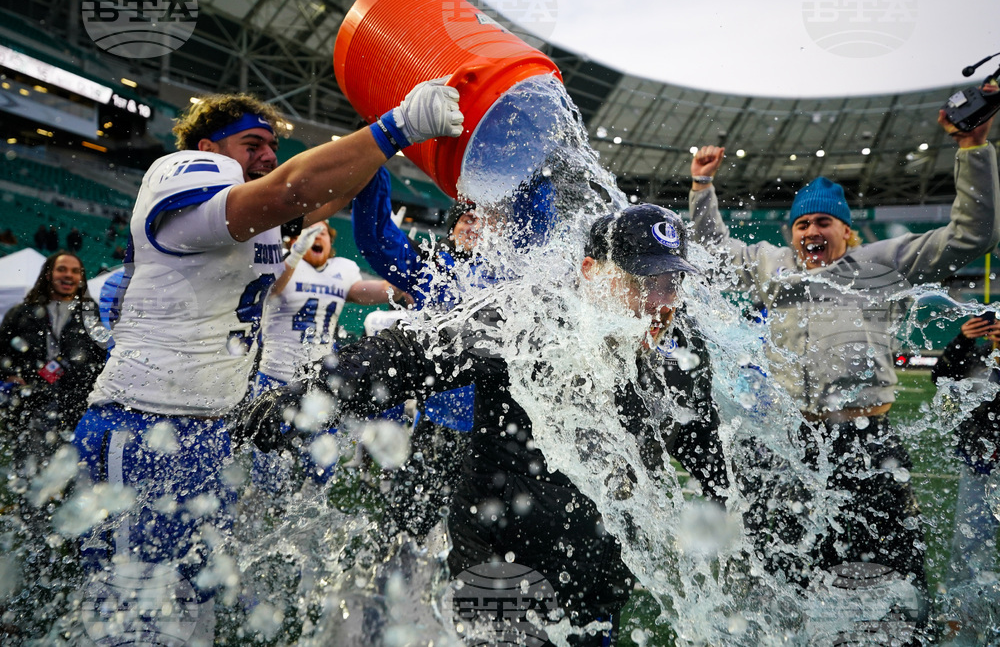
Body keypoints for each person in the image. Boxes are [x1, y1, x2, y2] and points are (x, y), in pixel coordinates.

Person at [71, 79, 465, 643]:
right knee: (132, 612)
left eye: (270, 146)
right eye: (251, 143)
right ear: (206, 148)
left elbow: (325, 191)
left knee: (191, 608)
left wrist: (386, 155)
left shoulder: (256, 215)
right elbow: (291, 189)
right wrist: (395, 127)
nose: (266, 155)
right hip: (143, 423)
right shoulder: (180, 174)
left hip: (208, 426)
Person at [242, 204, 729, 646]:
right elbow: (412, 351)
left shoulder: (678, 350)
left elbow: (704, 442)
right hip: (499, 558)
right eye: (641, 282)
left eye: (670, 281)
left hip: (597, 574)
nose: (660, 301)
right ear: (590, 273)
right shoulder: (528, 320)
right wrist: (306, 397)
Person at [687, 107, 999, 631]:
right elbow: (713, 249)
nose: (812, 230)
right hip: (793, 443)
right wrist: (701, 185)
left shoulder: (883, 264)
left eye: (823, 221)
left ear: (846, 232)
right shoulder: (772, 267)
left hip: (866, 440)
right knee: (788, 566)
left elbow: (972, 236)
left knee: (890, 565)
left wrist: (973, 151)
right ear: (792, 233)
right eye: (802, 222)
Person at [352, 168, 483, 432]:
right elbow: (377, 238)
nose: (476, 227)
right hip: (435, 416)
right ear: (452, 229)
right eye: (468, 219)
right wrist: (374, 159)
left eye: (483, 221)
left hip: (490, 420)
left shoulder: (506, 271)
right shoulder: (428, 265)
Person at [256, 220, 410, 393]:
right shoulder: (284, 262)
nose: (318, 234)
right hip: (274, 375)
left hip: (317, 380)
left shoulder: (342, 269)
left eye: (324, 232)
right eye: (311, 230)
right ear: (294, 239)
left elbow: (387, 291)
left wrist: (396, 258)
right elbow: (269, 289)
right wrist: (295, 254)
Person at [0, 251, 106, 455]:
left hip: (75, 406)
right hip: (29, 405)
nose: (69, 275)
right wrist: (10, 375)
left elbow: (100, 358)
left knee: (69, 471)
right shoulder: (22, 312)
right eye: (62, 269)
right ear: (48, 274)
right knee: (30, 468)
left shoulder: (91, 313)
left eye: (75, 271)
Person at [931, 314, 1000, 587]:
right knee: (968, 552)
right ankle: (961, 620)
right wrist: (962, 340)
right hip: (980, 468)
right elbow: (940, 378)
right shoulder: (982, 356)